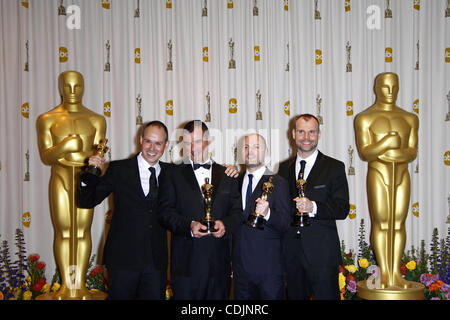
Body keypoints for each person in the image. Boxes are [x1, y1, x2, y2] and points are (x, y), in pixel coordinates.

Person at [79, 120, 170, 300]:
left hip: (155, 263)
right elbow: (87, 201)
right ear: (140, 140)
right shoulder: (119, 169)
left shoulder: (172, 173)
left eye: (158, 143)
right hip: (122, 261)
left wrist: (226, 172)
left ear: (166, 145)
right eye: (148, 141)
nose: (152, 148)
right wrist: (89, 173)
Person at [37, 70, 106, 300]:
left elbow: (99, 155)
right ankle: (67, 287)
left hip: (85, 181)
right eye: (68, 86)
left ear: (84, 86)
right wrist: (66, 146)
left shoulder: (96, 119)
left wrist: (92, 163)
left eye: (77, 86)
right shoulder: (48, 119)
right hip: (60, 177)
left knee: (83, 230)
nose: (73, 91)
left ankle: (80, 286)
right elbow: (46, 156)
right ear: (61, 87)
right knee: (64, 231)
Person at [157, 120, 243, 300]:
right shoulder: (172, 173)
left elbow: (237, 213)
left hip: (219, 266)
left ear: (208, 140)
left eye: (197, 142)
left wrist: (225, 224)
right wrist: (189, 226)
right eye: (187, 143)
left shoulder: (228, 175)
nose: (192, 148)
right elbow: (165, 213)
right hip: (186, 266)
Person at [354, 72, 419, 290]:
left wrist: (389, 154)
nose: (390, 92)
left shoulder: (410, 118)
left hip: (401, 174)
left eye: (394, 87)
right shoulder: (365, 118)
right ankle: (384, 273)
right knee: (381, 223)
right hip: (378, 174)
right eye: (385, 87)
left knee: (398, 223)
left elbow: (411, 152)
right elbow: (365, 152)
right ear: (376, 88)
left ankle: (395, 273)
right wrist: (388, 143)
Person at [278, 114, 350, 300]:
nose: (306, 137)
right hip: (291, 254)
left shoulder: (334, 167)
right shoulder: (284, 168)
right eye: (301, 131)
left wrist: (314, 207)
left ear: (319, 134)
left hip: (322, 255)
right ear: (293, 134)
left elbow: (342, 209)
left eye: (311, 132)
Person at [232, 133, 290, 300]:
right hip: (241, 270)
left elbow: (286, 224)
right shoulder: (233, 182)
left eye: (256, 147)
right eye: (246, 147)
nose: (250, 151)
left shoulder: (278, 182)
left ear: (266, 152)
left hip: (269, 271)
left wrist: (268, 214)